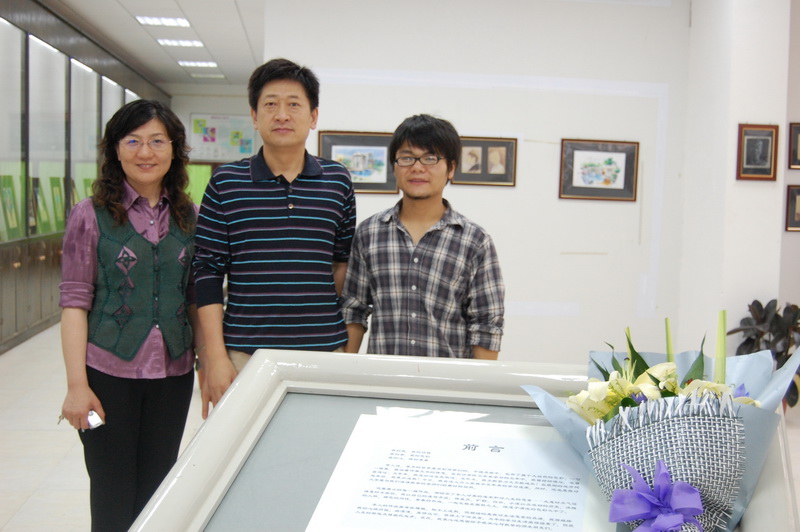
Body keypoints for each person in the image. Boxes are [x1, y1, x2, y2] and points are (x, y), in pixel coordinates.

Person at [59, 99, 201, 532]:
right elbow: (74, 302)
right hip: (107, 373)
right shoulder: (90, 214)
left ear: (174, 149)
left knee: (159, 488)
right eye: (133, 141)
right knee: (111, 489)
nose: (146, 152)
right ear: (115, 150)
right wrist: (77, 386)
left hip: (174, 374)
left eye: (157, 141)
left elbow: (194, 297)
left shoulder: (190, 216)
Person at [193, 58, 356, 416]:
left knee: (321, 446)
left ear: (313, 116)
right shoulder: (225, 182)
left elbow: (342, 263)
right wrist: (214, 358)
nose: (282, 115)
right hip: (244, 355)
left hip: (323, 351)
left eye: (294, 104)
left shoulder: (338, 180)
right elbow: (206, 273)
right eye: (270, 104)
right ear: (254, 116)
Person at [341, 114, 504, 359]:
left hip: (447, 380)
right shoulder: (369, 234)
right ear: (394, 166)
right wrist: (344, 372)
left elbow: (486, 325)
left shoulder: (474, 241)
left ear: (451, 168)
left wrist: (480, 383)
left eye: (430, 158)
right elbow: (353, 310)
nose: (417, 167)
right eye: (407, 158)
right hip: (385, 378)